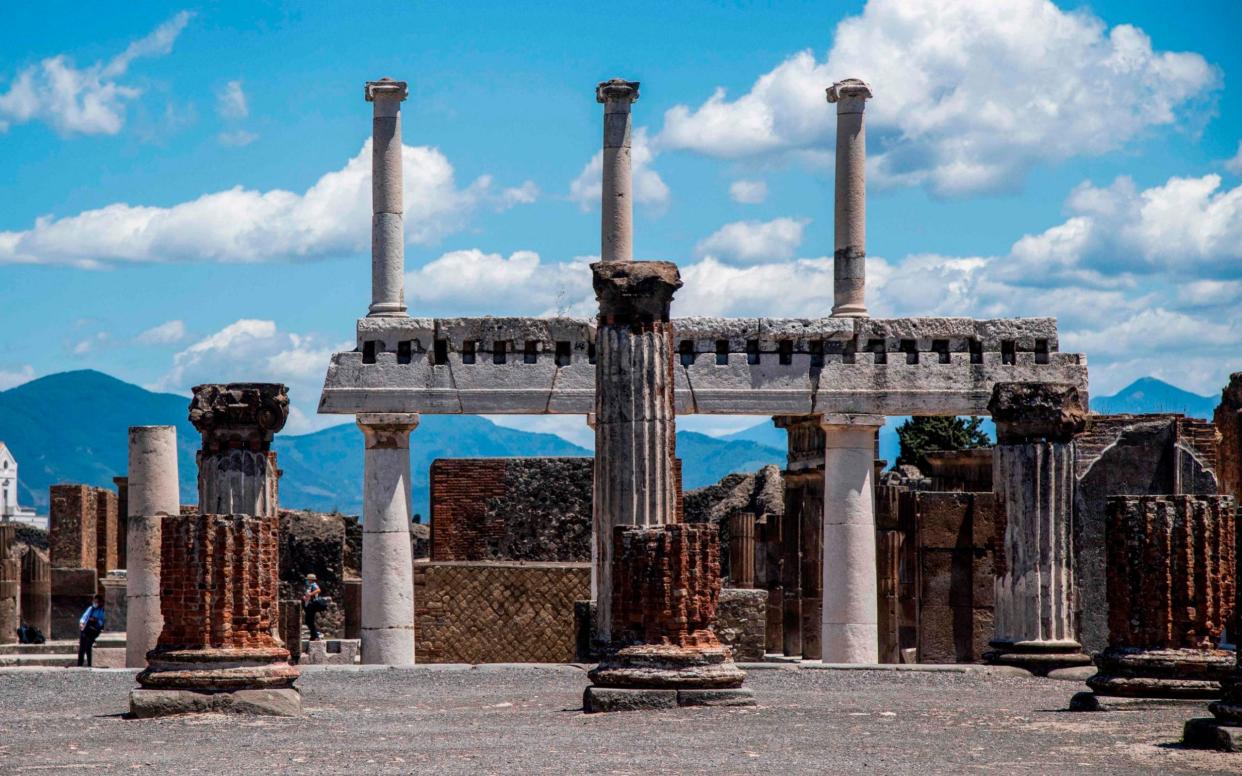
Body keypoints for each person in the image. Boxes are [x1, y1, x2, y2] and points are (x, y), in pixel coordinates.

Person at [78, 594, 106, 667]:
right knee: (82, 648)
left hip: (94, 631)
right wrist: (81, 623)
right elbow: (84, 617)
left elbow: (102, 622)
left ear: (100, 602)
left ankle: (90, 664)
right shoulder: (91, 608)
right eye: (94, 601)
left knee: (88, 648)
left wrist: (96, 620)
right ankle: (79, 664)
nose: (95, 603)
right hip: (86, 629)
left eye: (97, 602)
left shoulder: (102, 610)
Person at [302, 573, 322, 641]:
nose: (307, 580)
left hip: (311, 605)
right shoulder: (309, 586)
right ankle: (313, 636)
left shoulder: (313, 585)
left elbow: (318, 590)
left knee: (309, 621)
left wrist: (310, 594)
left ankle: (315, 636)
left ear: (311, 580)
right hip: (308, 605)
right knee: (309, 621)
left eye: (308, 579)